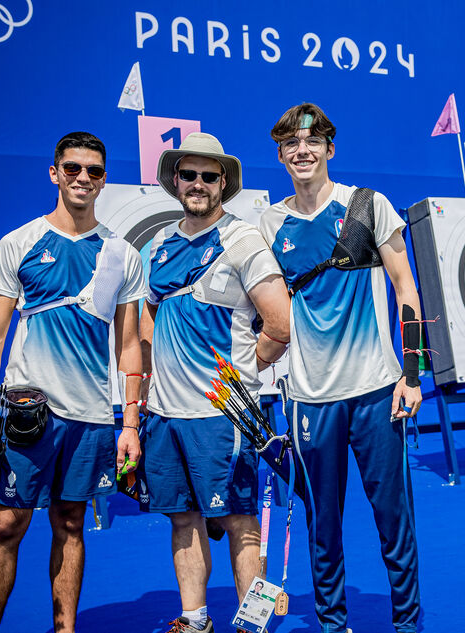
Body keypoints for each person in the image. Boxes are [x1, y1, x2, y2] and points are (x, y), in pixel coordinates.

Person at [0, 132, 147, 633]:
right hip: (30, 415)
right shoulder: (19, 242)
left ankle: (64, 630)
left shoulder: (122, 254)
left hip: (90, 419)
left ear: (104, 179)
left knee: (70, 524)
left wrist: (129, 420)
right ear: (54, 173)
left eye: (92, 170)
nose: (82, 178)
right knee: (6, 525)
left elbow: (130, 345)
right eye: (72, 168)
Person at [259, 103, 423, 633]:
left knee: (393, 520)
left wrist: (413, 375)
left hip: (378, 392)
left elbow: (406, 290)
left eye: (312, 143)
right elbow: (265, 309)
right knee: (321, 524)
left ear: (329, 148)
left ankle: (407, 624)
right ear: (281, 155)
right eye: (290, 145)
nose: (302, 152)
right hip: (309, 400)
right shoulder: (269, 223)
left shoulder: (368, 205)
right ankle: (333, 625)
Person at [139, 132, 291, 633]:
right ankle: (194, 618)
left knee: (241, 521)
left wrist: (240, 374)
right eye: (190, 175)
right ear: (176, 181)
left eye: (209, 176)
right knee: (182, 518)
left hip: (223, 413)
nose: (199, 184)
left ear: (223, 183)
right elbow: (149, 322)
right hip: (165, 413)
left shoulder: (243, 240)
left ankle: (253, 627)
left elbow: (280, 325)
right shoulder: (159, 245)